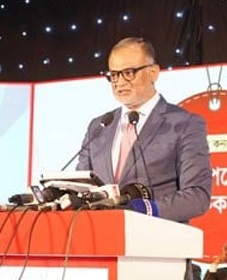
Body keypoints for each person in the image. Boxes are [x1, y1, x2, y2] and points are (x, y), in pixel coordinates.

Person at [75, 37, 211, 223]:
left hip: (157, 236)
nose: (119, 82)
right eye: (114, 75)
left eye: (128, 73)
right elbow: (81, 188)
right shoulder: (99, 126)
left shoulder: (185, 124)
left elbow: (197, 197)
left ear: (153, 72)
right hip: (102, 235)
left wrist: (145, 209)